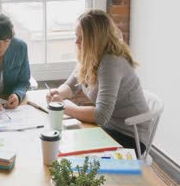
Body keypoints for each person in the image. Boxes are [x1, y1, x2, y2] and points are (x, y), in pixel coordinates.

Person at [47, 9, 149, 156]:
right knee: (64, 142)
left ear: (95, 39)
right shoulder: (90, 56)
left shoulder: (110, 63)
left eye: (82, 38)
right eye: (76, 36)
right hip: (107, 127)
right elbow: (71, 85)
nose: (76, 42)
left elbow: (101, 115)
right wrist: (58, 93)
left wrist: (63, 107)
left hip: (130, 137)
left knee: (69, 147)